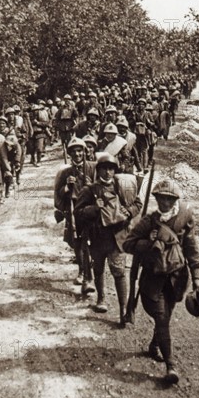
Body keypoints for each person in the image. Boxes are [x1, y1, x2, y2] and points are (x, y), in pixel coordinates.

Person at [123, 178, 199, 384]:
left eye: (169, 199)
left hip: (176, 278)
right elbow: (128, 244)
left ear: (175, 199)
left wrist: (197, 278)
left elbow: (192, 249)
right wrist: (148, 241)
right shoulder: (148, 221)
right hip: (152, 279)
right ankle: (171, 366)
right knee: (160, 317)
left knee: (165, 317)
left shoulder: (184, 218)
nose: (164, 203)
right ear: (156, 198)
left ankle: (154, 344)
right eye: (160, 198)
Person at [75, 153, 142, 326]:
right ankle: (101, 299)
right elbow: (78, 213)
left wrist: (130, 212)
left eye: (111, 169)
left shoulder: (123, 187)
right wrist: (94, 209)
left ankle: (123, 311)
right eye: (104, 168)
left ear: (115, 171)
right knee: (98, 269)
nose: (107, 172)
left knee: (119, 273)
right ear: (98, 170)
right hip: (97, 238)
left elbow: (138, 204)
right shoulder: (89, 190)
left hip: (117, 238)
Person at [54, 137, 96, 293]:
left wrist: (90, 183)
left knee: (90, 241)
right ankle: (81, 270)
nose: (77, 154)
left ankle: (90, 274)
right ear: (70, 154)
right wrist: (67, 186)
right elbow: (58, 193)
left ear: (85, 152)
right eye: (74, 152)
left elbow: (103, 187)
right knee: (77, 242)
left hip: (90, 209)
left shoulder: (93, 168)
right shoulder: (66, 172)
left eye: (80, 151)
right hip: (73, 209)